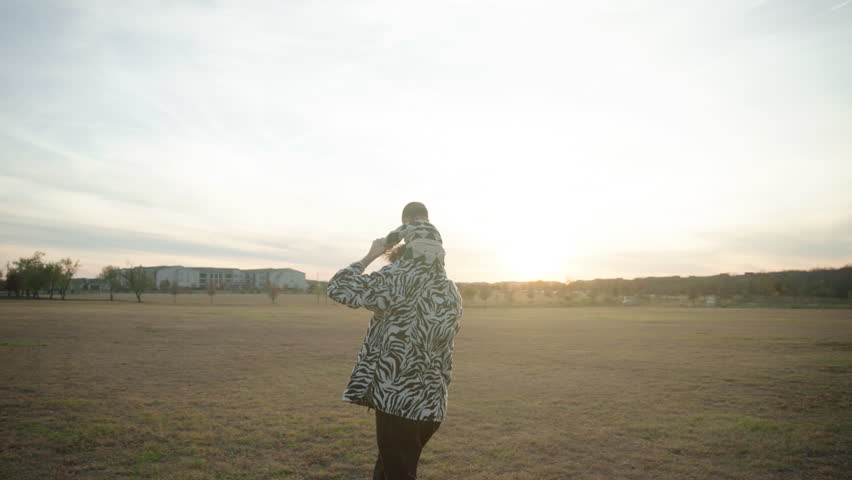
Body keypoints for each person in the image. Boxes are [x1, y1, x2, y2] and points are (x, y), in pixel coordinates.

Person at [327, 201, 464, 480]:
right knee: (390, 470)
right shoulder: (451, 290)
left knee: (397, 473)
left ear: (404, 250)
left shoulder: (397, 278)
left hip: (397, 400)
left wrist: (371, 255)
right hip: (432, 404)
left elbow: (338, 287)